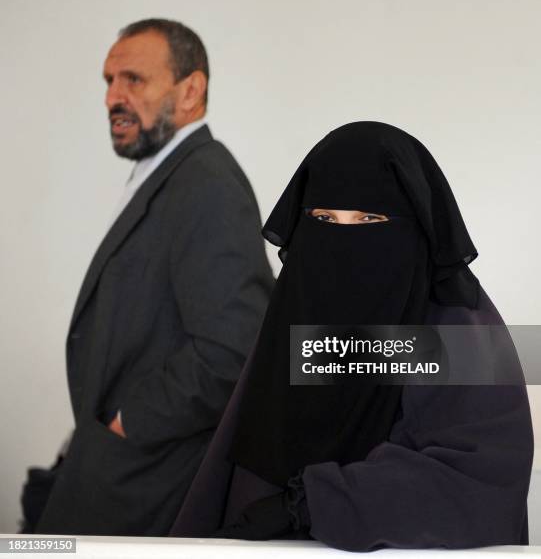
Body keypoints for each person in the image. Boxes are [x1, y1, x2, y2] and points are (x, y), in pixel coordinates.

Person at [169, 121, 533, 550]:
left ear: (415, 227)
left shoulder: (457, 329)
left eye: (369, 219)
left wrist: (311, 504)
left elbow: (478, 480)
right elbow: (247, 457)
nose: (341, 241)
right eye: (323, 219)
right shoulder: (298, 311)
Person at [34, 18, 274, 536]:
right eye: (108, 82)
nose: (112, 98)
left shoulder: (207, 184)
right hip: (123, 471)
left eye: (133, 81)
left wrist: (128, 423)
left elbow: (234, 350)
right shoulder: (171, 173)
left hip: (150, 482)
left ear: (191, 90)